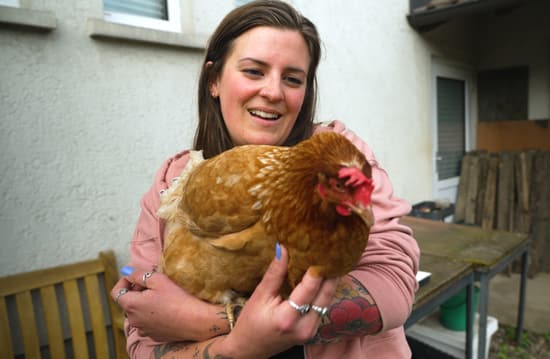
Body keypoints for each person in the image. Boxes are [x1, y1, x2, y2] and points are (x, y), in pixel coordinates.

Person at [111, 1, 420, 358]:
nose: (274, 92)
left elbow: (396, 285)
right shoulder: (173, 180)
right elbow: (144, 331)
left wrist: (215, 321)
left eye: (292, 78)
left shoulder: (340, 159)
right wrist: (236, 347)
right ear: (214, 80)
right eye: (254, 71)